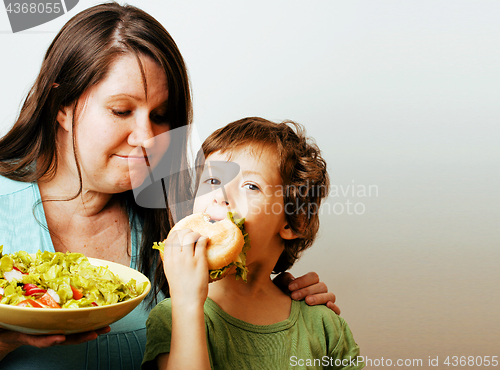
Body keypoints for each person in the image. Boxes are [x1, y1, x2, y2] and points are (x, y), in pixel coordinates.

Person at [0, 3, 338, 369]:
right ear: (61, 105)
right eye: (121, 111)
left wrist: (287, 306)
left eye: (160, 116)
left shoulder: (185, 215)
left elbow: (232, 317)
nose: (148, 138)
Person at [142, 117, 364, 370]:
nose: (220, 197)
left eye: (251, 186)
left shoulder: (323, 324)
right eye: (212, 181)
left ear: (294, 222)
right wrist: (187, 305)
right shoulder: (175, 314)